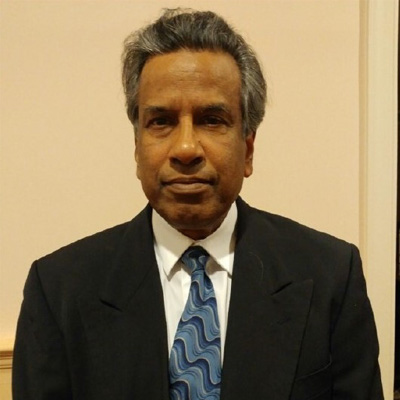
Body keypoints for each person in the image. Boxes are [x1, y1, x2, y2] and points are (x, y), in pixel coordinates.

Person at [12, 8, 383, 400]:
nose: (186, 148)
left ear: (248, 149)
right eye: (161, 122)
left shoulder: (329, 276)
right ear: (137, 147)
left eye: (211, 119)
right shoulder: (59, 290)